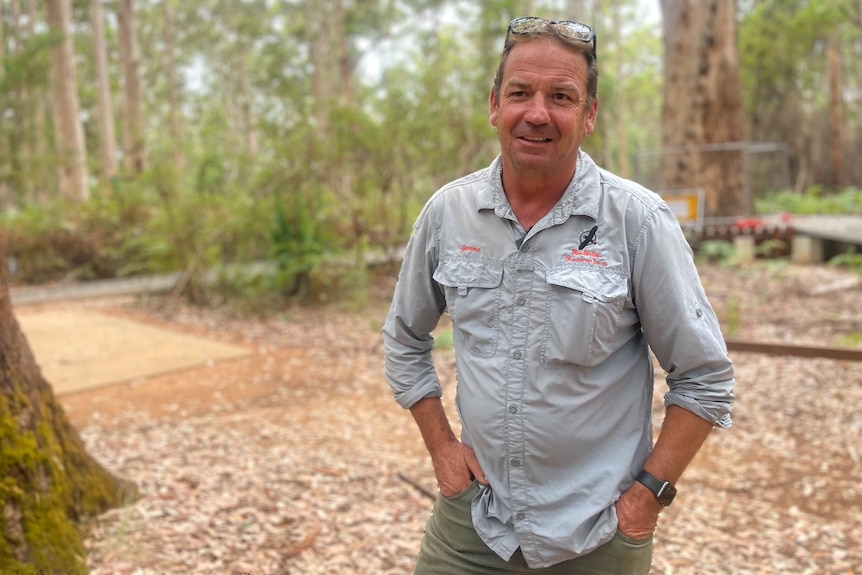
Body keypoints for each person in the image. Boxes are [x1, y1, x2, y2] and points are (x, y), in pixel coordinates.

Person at [383, 16, 735, 575]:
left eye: (562, 96)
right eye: (521, 93)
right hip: (475, 521)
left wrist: (646, 499)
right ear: (494, 104)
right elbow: (404, 337)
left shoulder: (636, 221)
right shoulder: (448, 214)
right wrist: (442, 450)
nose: (538, 113)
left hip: (597, 532)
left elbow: (705, 376)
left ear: (589, 114)